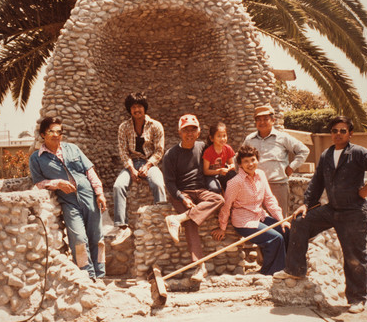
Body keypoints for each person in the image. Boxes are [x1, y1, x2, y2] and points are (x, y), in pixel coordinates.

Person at [273, 116, 367, 314]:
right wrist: (306, 205)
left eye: (343, 131)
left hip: (354, 212)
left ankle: (357, 299)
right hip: (332, 209)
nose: (338, 134)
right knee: (300, 222)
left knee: (354, 257)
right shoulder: (327, 155)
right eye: (335, 130)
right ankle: (295, 270)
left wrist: (366, 189)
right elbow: (317, 182)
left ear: (350, 134)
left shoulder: (358, 153)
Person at [29, 117, 107, 280]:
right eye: (51, 131)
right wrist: (57, 183)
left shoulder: (72, 149)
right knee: (78, 238)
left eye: (59, 131)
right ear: (43, 134)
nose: (56, 135)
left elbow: (89, 171)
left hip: (89, 198)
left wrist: (99, 193)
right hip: (69, 203)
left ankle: (100, 276)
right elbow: (38, 183)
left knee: (97, 238)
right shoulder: (36, 158)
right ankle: (87, 275)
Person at [163, 114, 225, 282]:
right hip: (181, 193)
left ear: (198, 132)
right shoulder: (171, 154)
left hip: (200, 189)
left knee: (218, 199)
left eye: (193, 130)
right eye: (186, 130)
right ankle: (200, 267)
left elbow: (220, 155)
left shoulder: (203, 147)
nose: (189, 134)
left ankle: (178, 218)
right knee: (191, 224)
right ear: (179, 132)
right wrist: (182, 198)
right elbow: (169, 183)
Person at [211, 145, 290, 275]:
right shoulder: (235, 182)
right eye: (246, 161)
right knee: (275, 239)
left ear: (257, 160)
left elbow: (269, 200)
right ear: (240, 164)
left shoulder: (261, 175)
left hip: (260, 217)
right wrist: (222, 227)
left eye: (253, 160)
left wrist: (281, 220)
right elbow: (227, 206)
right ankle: (269, 273)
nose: (250, 164)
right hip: (244, 222)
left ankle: (287, 268)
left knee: (285, 231)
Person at [112, 93, 167, 245]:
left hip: (149, 162)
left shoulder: (155, 126)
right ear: (130, 110)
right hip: (131, 163)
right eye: (134, 107)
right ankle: (122, 227)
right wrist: (131, 170)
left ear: (144, 108)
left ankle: (161, 219)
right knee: (118, 186)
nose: (137, 110)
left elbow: (159, 151)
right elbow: (123, 151)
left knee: (158, 184)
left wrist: (148, 166)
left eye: (139, 107)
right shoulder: (124, 127)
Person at [243, 104, 309, 217]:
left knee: (280, 221)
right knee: (257, 222)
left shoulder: (283, 138)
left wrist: (291, 167)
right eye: (258, 120)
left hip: (277, 186)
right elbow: (239, 158)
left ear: (273, 120)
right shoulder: (250, 139)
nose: (262, 122)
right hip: (255, 187)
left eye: (265, 119)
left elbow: (304, 150)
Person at [202, 122, 236, 193]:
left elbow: (232, 165)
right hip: (211, 175)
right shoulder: (208, 152)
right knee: (215, 189)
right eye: (219, 136)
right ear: (212, 138)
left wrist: (230, 167)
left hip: (223, 174)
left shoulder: (228, 148)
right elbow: (205, 171)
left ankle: (230, 198)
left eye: (224, 136)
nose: (222, 139)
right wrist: (219, 171)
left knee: (233, 177)